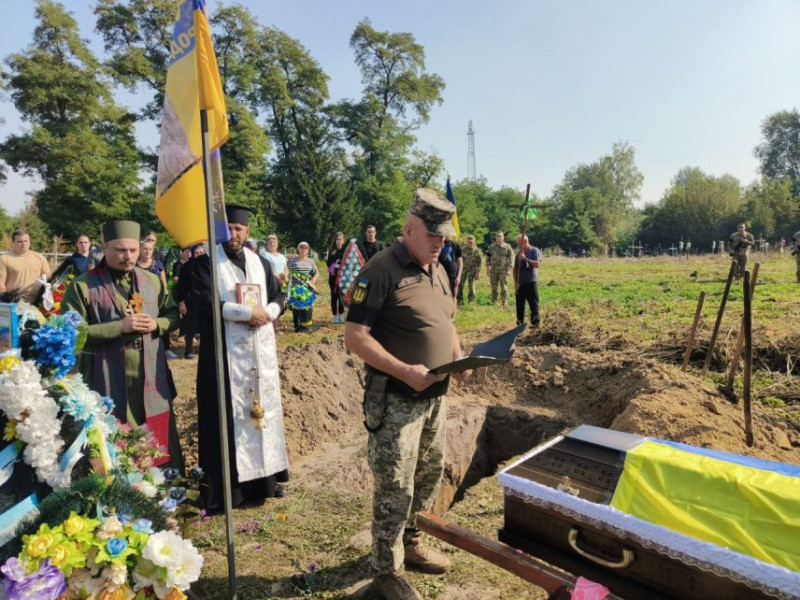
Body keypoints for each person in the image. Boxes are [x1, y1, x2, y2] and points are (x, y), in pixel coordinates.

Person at [344, 188, 467, 600]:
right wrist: (403, 370)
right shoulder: (380, 270)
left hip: (435, 399)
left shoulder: (439, 267)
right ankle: (385, 573)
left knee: (427, 477)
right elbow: (355, 337)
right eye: (433, 236)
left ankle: (411, 544)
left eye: (444, 237)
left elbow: (447, 321)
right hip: (396, 399)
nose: (441, 243)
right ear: (409, 229)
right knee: (395, 487)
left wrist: (459, 355)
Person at [183, 204, 289, 512]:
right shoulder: (206, 265)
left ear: (247, 232)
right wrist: (246, 313)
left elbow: (280, 295)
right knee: (224, 420)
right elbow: (203, 304)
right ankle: (226, 492)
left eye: (239, 229)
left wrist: (269, 312)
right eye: (228, 228)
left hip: (259, 354)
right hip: (222, 358)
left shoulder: (261, 262)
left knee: (260, 418)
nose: (234, 233)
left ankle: (264, 483)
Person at [60, 220, 183, 471]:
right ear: (103, 247)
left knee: (157, 436)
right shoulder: (83, 286)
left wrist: (157, 324)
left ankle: (165, 488)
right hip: (105, 376)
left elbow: (173, 316)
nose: (128, 256)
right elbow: (70, 335)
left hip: (151, 378)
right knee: (113, 439)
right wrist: (119, 327)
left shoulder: (153, 281)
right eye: (120, 250)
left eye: (133, 250)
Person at [0, 229, 51, 302]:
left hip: (37, 301)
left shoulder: (40, 257)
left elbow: (48, 277)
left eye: (25, 241)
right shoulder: (4, 259)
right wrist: (5, 298)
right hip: (15, 301)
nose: (23, 244)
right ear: (13, 242)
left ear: (29, 241)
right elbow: (1, 282)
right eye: (20, 242)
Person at [175, 244, 205, 358]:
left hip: (204, 301)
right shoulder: (186, 266)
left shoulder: (207, 265)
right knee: (190, 327)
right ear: (193, 254)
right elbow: (181, 286)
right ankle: (188, 350)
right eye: (197, 253)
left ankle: (203, 350)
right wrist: (181, 302)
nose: (200, 255)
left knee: (204, 327)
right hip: (190, 301)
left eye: (202, 253)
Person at [287, 242, 319, 332]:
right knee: (296, 307)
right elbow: (286, 271)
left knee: (307, 306)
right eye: (302, 247)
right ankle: (297, 326)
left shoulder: (311, 261)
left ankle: (305, 326)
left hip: (307, 288)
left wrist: (313, 280)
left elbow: (317, 273)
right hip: (295, 288)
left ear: (308, 250)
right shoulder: (292, 261)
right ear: (298, 249)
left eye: (306, 248)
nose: (304, 249)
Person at [513, 234, 543, 327]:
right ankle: (520, 322)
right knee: (519, 304)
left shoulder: (534, 251)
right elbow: (515, 269)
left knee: (533, 302)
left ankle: (535, 322)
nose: (518, 246)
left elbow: (537, 264)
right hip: (520, 282)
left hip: (531, 281)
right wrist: (516, 282)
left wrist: (525, 258)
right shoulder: (518, 254)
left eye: (519, 244)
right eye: (517, 244)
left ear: (525, 241)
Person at [485, 231, 513, 306]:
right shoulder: (491, 247)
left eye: (500, 236)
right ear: (495, 237)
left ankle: (504, 301)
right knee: (494, 287)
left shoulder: (507, 247)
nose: (499, 238)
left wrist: (509, 270)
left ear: (503, 237)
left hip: (503, 271)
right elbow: (487, 258)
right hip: (493, 271)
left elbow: (511, 259)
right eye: (497, 236)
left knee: (504, 287)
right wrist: (488, 269)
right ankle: (494, 301)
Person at [326, 232, 347, 324]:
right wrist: (335, 265)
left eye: (341, 239)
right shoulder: (331, 250)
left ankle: (341, 314)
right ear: (335, 240)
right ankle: (335, 315)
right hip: (333, 277)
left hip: (343, 277)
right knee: (334, 296)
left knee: (341, 296)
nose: (339, 241)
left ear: (343, 241)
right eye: (338, 239)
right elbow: (328, 264)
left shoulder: (345, 250)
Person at [458, 235, 482, 304]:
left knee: (471, 286)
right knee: (460, 284)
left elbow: (479, 262)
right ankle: (459, 300)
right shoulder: (463, 250)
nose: (470, 244)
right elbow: (459, 260)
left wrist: (478, 272)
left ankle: (471, 300)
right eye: (469, 242)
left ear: (474, 243)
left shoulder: (477, 251)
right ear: (466, 242)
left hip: (472, 270)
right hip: (463, 270)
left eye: (471, 242)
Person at [437, 235, 462, 301]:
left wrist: (458, 276)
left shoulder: (455, 245)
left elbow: (460, 263)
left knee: (453, 297)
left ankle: (454, 310)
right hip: (440, 275)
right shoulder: (437, 243)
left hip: (453, 275)